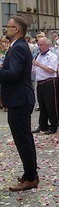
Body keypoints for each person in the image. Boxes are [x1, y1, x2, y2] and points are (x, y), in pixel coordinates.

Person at [0, 16, 38, 191]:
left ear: (16, 30)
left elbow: (13, 74)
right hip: (20, 98)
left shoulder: (18, 48)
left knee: (23, 140)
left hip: (19, 99)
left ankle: (30, 177)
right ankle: (29, 173)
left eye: (8, 26)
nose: (5, 29)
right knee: (24, 138)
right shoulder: (18, 46)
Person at [32, 37, 59, 134]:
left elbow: (51, 70)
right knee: (42, 105)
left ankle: (53, 126)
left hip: (49, 82)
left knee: (51, 105)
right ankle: (42, 125)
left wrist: (38, 64)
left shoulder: (52, 56)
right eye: (38, 45)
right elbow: (34, 69)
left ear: (47, 45)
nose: (39, 47)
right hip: (40, 82)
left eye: (41, 45)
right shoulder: (38, 55)